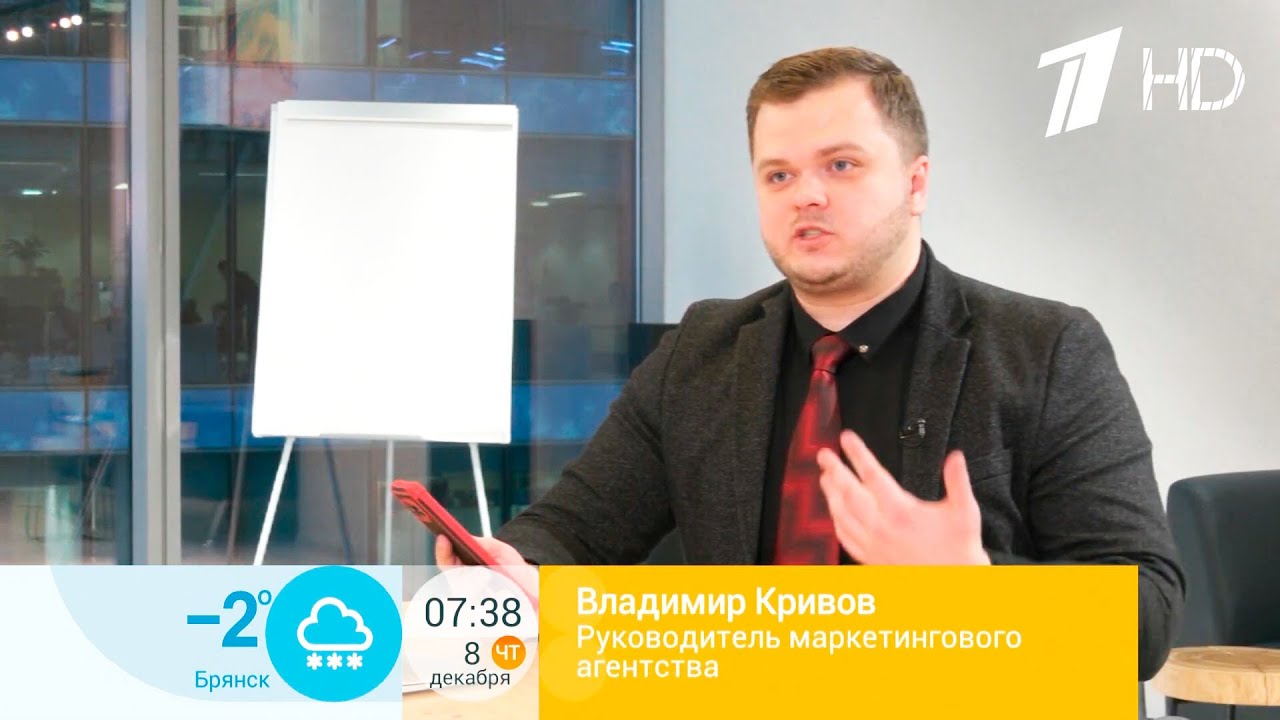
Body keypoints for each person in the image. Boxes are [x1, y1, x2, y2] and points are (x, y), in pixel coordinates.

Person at [436, 46, 1184, 681]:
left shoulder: (1044, 348)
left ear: (916, 182)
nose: (807, 196)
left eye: (841, 165)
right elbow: (577, 530)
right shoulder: (703, 349)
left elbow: (1147, 615)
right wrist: (513, 568)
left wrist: (972, 587)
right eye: (779, 175)